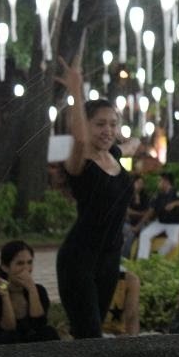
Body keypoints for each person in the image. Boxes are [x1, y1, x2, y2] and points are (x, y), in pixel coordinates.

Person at [55, 56, 141, 338]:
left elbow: (128, 146)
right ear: (86, 124)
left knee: (93, 335)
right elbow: (79, 139)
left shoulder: (112, 155)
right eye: (100, 124)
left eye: (113, 124)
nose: (108, 131)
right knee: (89, 334)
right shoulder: (79, 161)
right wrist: (76, 90)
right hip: (79, 258)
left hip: (109, 257)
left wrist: (136, 142)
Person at [0, 240, 59, 345]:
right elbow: (8, 328)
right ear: (5, 267)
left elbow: (39, 324)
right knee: (10, 337)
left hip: (29, 342)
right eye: (20, 263)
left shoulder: (38, 290)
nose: (26, 269)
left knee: (48, 332)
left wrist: (32, 289)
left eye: (29, 262)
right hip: (0, 345)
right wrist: (5, 296)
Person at [134, 173, 179, 259]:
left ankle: (157, 256)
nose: (158, 183)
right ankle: (142, 261)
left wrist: (175, 203)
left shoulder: (177, 192)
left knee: (173, 241)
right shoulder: (158, 195)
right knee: (144, 234)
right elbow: (150, 211)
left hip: (175, 223)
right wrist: (138, 226)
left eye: (160, 180)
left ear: (166, 182)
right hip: (160, 222)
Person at [101, 268, 141, 336]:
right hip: (116, 337)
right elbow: (132, 318)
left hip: (114, 337)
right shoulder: (130, 279)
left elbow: (132, 318)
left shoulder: (130, 279)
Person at [122, 175, 150, 258]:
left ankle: (137, 259)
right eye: (138, 183)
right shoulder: (127, 193)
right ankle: (125, 257)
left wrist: (138, 214)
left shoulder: (145, 196)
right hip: (127, 223)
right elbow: (127, 211)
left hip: (140, 223)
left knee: (144, 235)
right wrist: (140, 213)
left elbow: (147, 212)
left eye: (142, 183)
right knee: (131, 234)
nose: (140, 185)